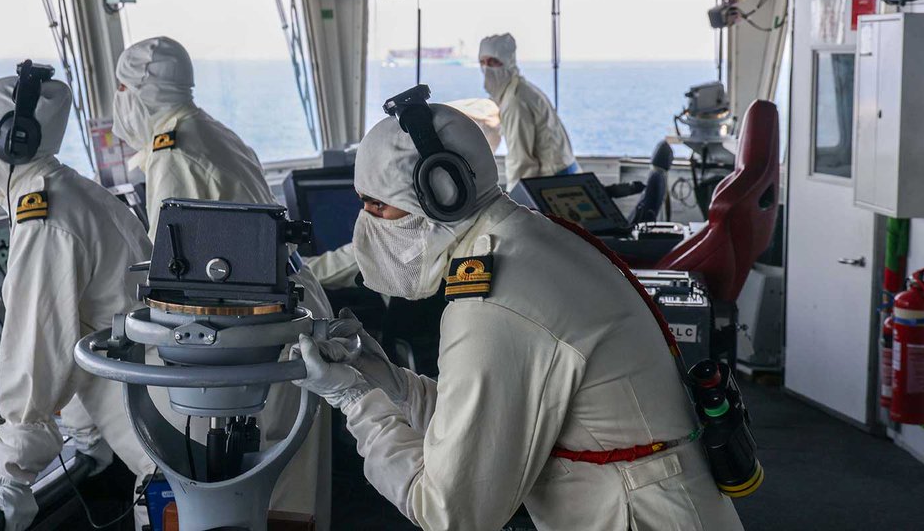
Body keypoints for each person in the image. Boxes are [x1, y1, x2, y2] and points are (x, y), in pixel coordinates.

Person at [292, 102, 744, 530]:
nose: (367, 223)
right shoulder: (527, 237)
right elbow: (487, 427)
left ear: (442, 193)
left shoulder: (492, 305)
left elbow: (451, 514)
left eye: (377, 205)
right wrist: (388, 383)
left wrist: (355, 403)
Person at [112, 36, 333, 524]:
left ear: (136, 94)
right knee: (291, 498)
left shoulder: (174, 154)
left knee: (252, 498)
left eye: (121, 89)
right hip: (282, 316)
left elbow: (183, 276)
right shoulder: (214, 132)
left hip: (246, 340)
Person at [0, 74, 156, 531]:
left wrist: (11, 478)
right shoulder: (72, 190)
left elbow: (38, 350)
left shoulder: (46, 218)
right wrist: (87, 432)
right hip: (159, 414)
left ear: (11, 142)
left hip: (159, 438)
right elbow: (83, 333)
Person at [479, 33, 578, 190]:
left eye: (493, 62)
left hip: (554, 181)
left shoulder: (515, 101)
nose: (487, 69)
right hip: (564, 175)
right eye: (482, 63)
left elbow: (521, 162)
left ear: (507, 62)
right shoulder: (517, 91)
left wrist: (515, 203)